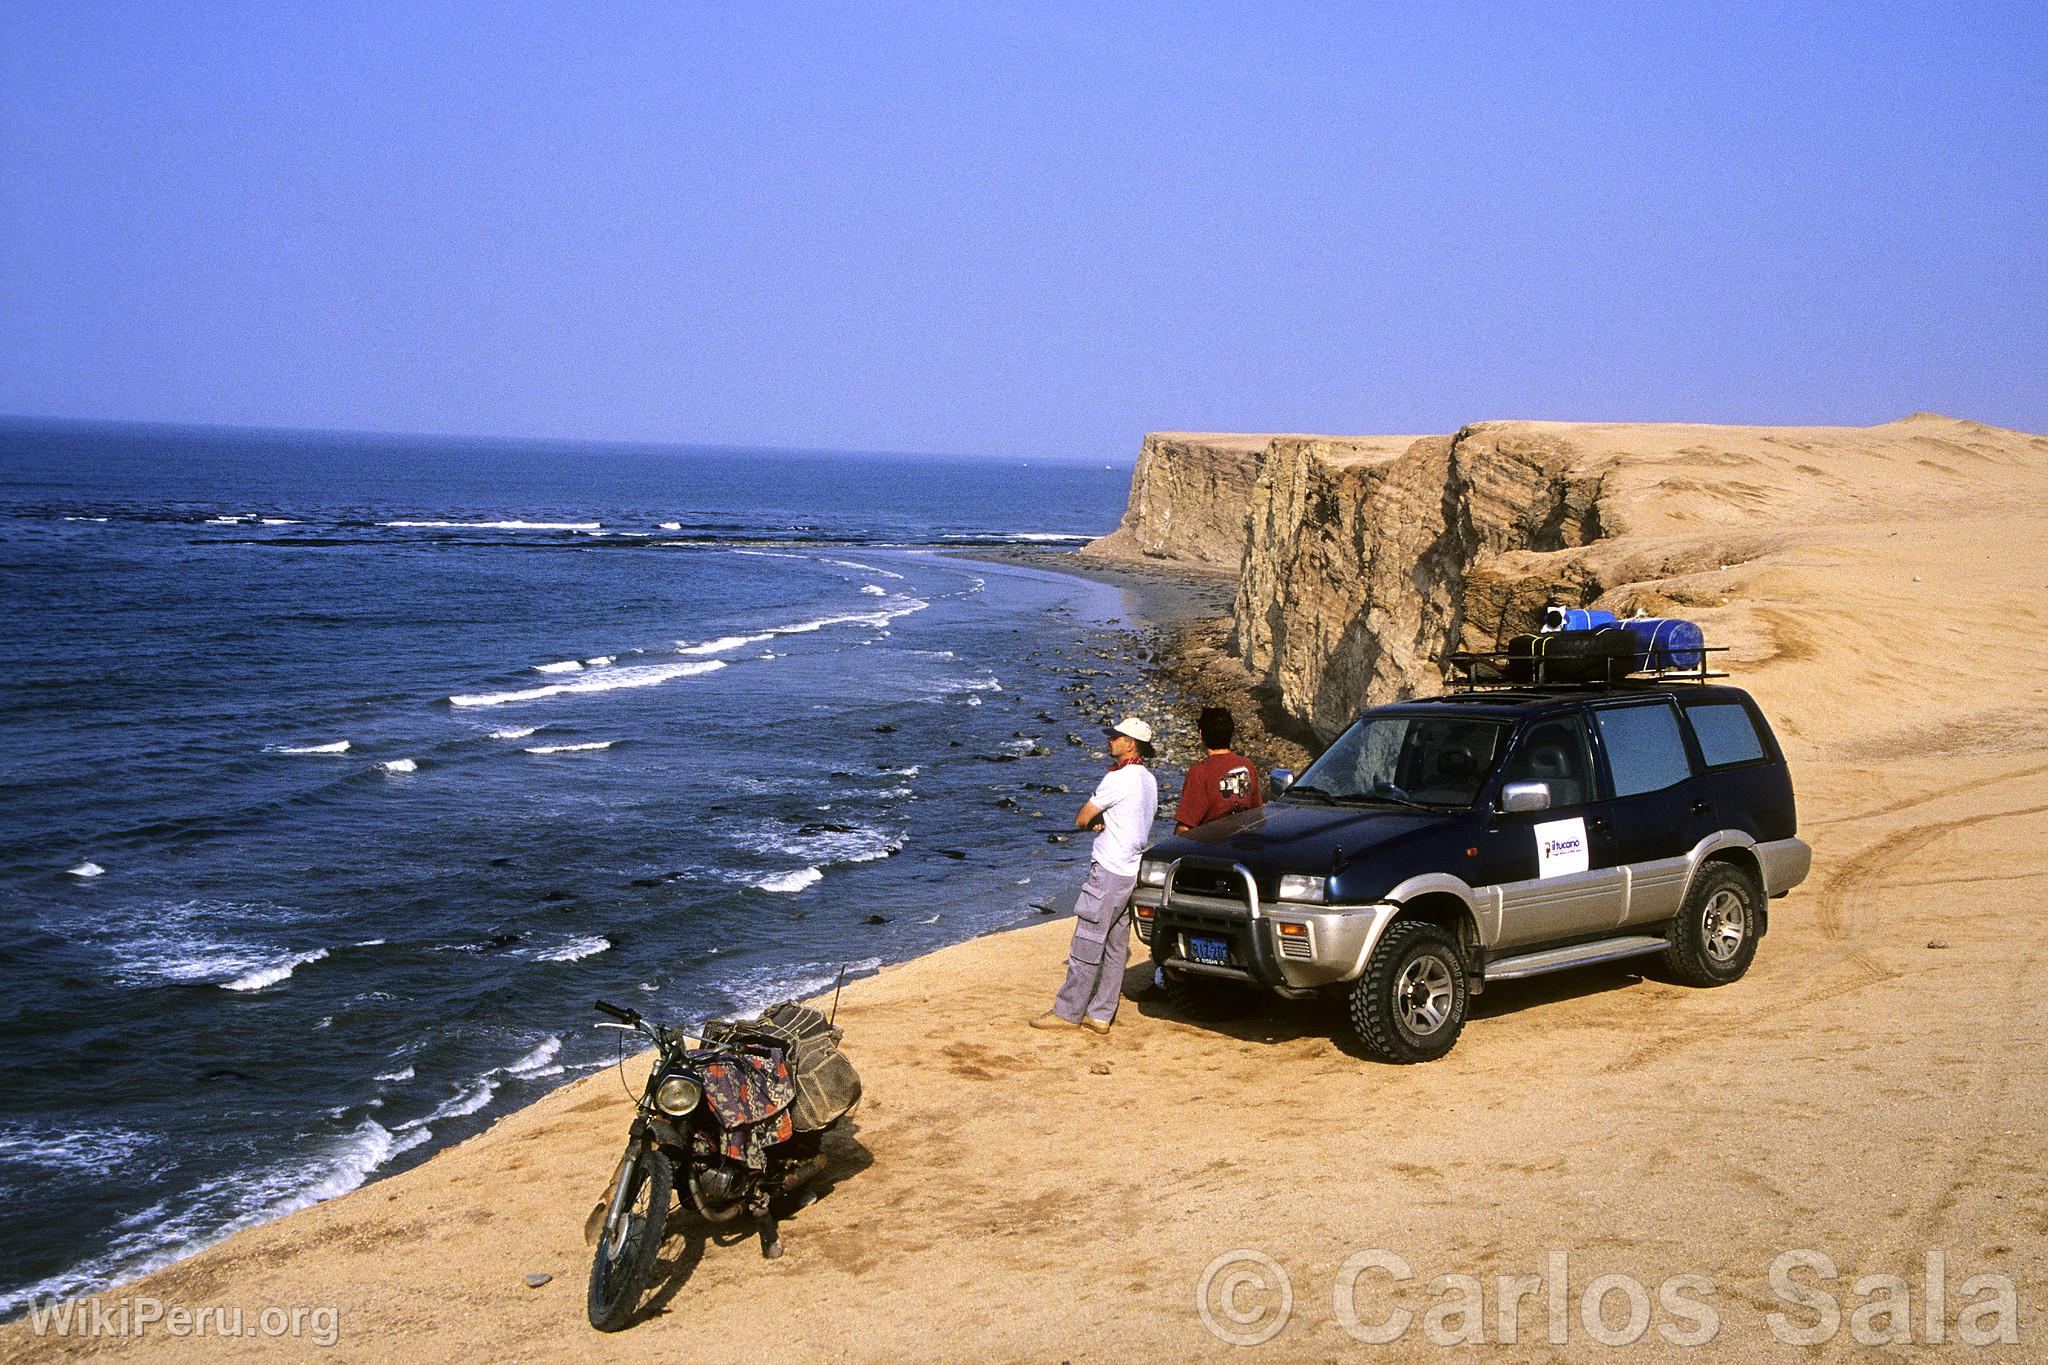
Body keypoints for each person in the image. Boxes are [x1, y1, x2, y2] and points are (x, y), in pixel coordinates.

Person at [1030, 716, 1159, 1036]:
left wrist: (1093, 821)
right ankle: (1101, 1013)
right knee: (1116, 946)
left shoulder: (1118, 778)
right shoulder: (1148, 780)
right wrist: (1103, 820)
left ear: (1130, 744)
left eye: (1116, 737)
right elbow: (1130, 819)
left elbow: (1082, 817)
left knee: (1087, 942)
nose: (1110, 740)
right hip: (1131, 870)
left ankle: (1068, 1012)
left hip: (1109, 869)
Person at [1174, 706, 1262, 833]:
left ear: (1201, 734)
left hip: (1212, 840)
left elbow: (1185, 826)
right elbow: (1257, 816)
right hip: (1243, 838)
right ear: (1230, 734)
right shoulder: (1247, 766)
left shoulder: (1200, 772)